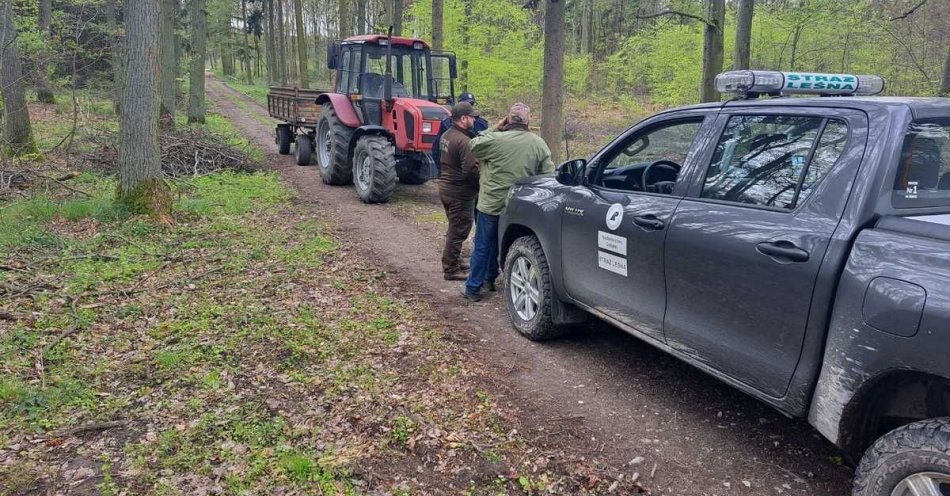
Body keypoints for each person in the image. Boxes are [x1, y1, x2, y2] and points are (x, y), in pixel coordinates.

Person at [462, 103, 554, 301]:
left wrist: (495, 127)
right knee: (502, 243)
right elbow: (547, 176)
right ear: (528, 120)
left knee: (483, 245)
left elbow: (473, 145)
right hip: (520, 208)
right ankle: (491, 278)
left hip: (491, 204)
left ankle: (473, 288)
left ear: (508, 119)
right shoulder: (538, 144)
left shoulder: (495, 140)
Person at [438, 102, 482, 280]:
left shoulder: (447, 135)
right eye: (472, 117)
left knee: (454, 227)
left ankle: (454, 260)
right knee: (459, 230)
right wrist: (482, 185)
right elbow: (471, 170)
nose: (475, 119)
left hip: (447, 188)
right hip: (459, 193)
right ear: (463, 119)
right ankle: (450, 269)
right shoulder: (464, 141)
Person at [432, 92, 488, 171]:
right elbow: (437, 149)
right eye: (465, 103)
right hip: (454, 168)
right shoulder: (447, 124)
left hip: (476, 167)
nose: (469, 106)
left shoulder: (481, 123)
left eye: (471, 103)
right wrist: (442, 170)